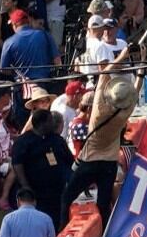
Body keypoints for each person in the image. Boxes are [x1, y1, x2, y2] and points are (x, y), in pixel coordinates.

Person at [59, 68, 138, 227]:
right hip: (108, 164)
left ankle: (61, 227)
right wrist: (140, 70)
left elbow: (105, 73)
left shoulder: (97, 116)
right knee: (103, 203)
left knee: (67, 196)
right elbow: (135, 92)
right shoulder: (123, 116)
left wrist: (121, 58)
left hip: (90, 162)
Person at [11, 109, 74, 228]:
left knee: (57, 221)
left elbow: (69, 161)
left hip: (56, 191)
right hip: (36, 192)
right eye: (50, 121)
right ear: (42, 123)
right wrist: (25, 184)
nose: (53, 123)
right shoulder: (24, 141)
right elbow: (17, 164)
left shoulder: (56, 140)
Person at [0, 9, 61, 82]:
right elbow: (57, 61)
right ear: (28, 22)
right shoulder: (45, 35)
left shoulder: (8, 42)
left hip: (22, 87)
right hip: (45, 85)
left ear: (14, 25)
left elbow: (3, 69)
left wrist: (16, 72)